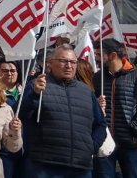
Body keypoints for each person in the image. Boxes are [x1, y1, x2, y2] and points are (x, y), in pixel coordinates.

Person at [20, 45, 107, 177]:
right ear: (50, 63)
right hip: (45, 165)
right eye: (63, 61)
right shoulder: (37, 85)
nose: (68, 66)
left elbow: (100, 124)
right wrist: (34, 94)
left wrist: (91, 146)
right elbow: (19, 114)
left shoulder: (86, 91)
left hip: (80, 166)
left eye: (72, 62)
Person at [94, 38, 137, 178]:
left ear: (112, 55)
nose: (96, 57)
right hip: (104, 141)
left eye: (100, 54)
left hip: (130, 143)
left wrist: (135, 127)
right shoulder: (97, 77)